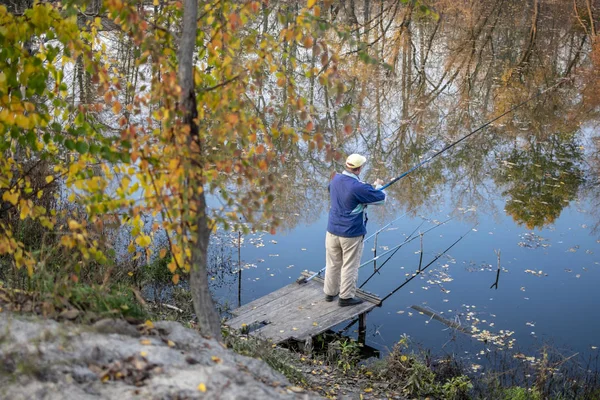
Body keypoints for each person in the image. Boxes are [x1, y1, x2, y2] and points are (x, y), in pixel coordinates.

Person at [324, 153, 386, 307]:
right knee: (349, 265)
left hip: (332, 230)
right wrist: (377, 186)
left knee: (332, 263)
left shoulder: (335, 179)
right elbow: (381, 199)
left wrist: (364, 188)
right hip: (351, 233)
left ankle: (330, 293)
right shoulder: (358, 187)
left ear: (347, 165)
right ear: (359, 169)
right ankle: (345, 297)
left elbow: (334, 190)